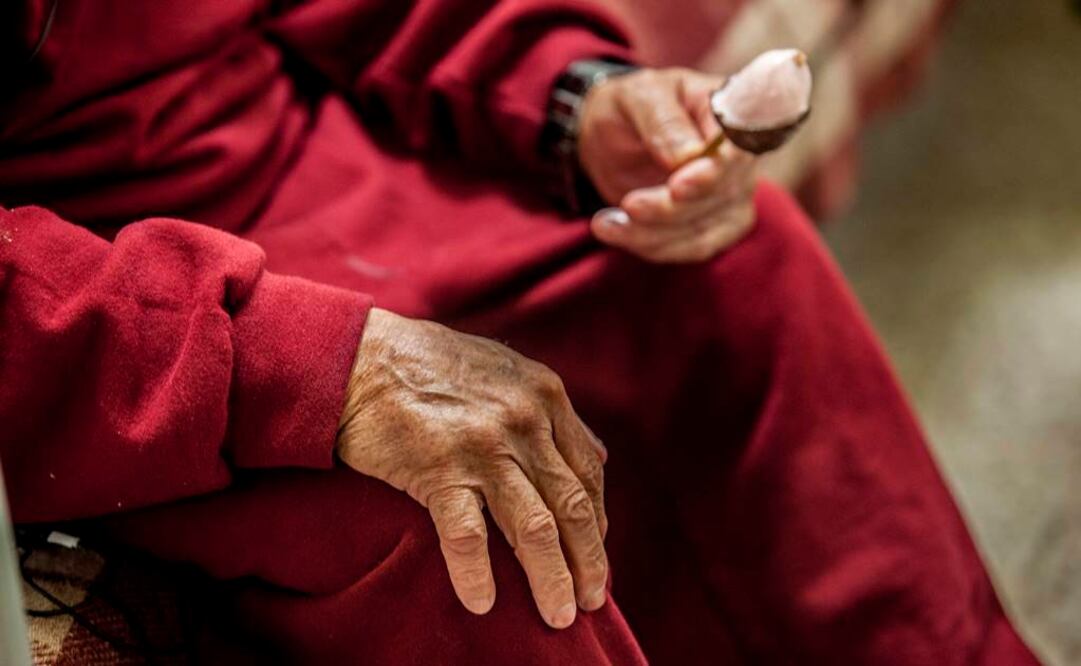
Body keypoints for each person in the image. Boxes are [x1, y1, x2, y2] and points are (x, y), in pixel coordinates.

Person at [0, 1, 1038, 663]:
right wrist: (304, 367)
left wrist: (575, 98)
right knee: (467, 518)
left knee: (724, 256)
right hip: (100, 318)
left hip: (302, 159)